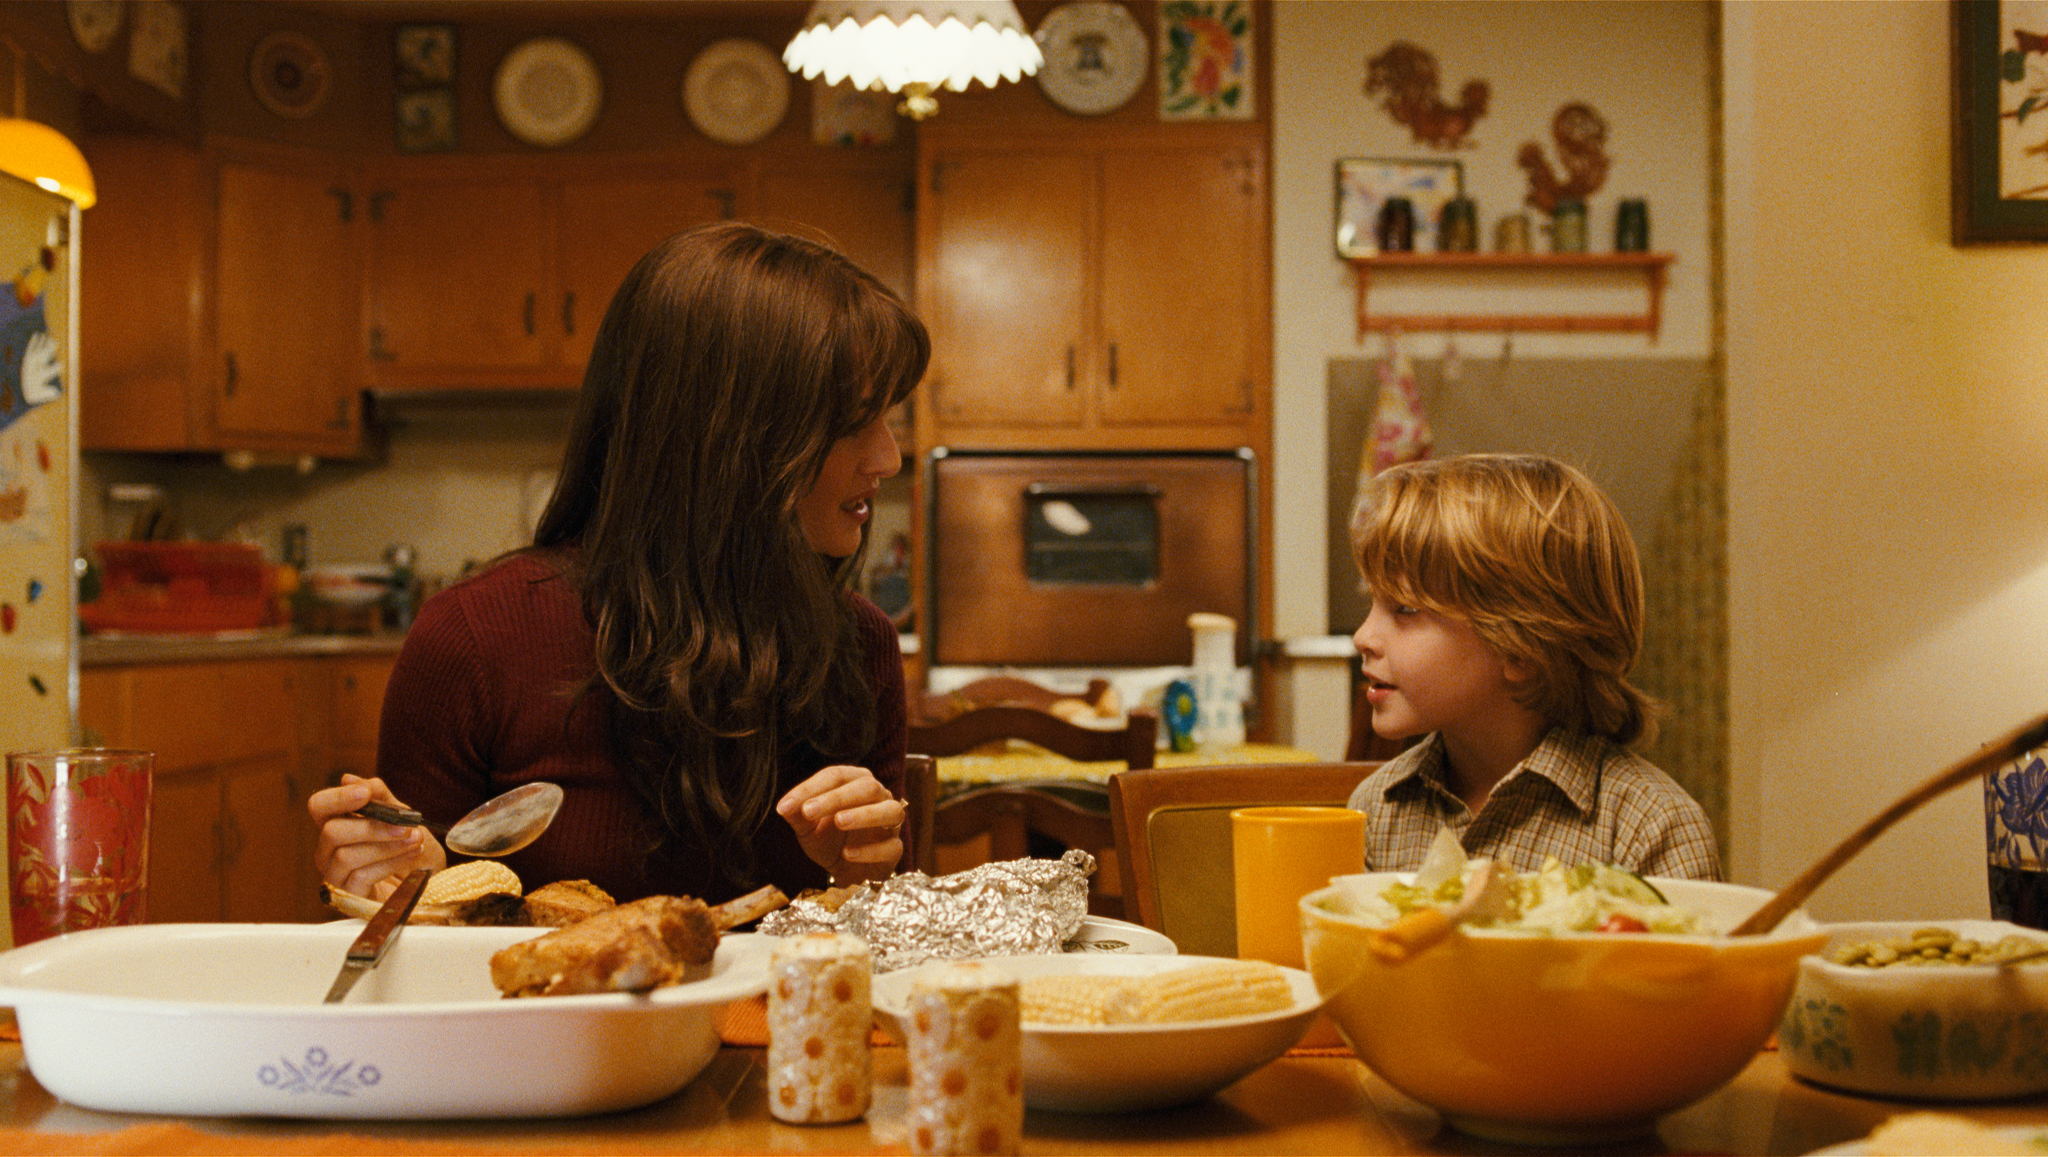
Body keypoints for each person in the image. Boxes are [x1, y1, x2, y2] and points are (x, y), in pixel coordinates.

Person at [309, 221, 927, 905]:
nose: (889, 459)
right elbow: (405, 948)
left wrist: (867, 871)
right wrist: (389, 878)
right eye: (853, 423)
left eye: (889, 418)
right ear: (729, 438)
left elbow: (877, 951)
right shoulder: (474, 639)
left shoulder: (858, 645)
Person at [1345, 452, 1722, 880]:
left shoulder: (1650, 828)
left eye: (1406, 609)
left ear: (1520, 648)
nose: (1363, 636)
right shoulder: (1375, 809)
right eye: (1372, 602)